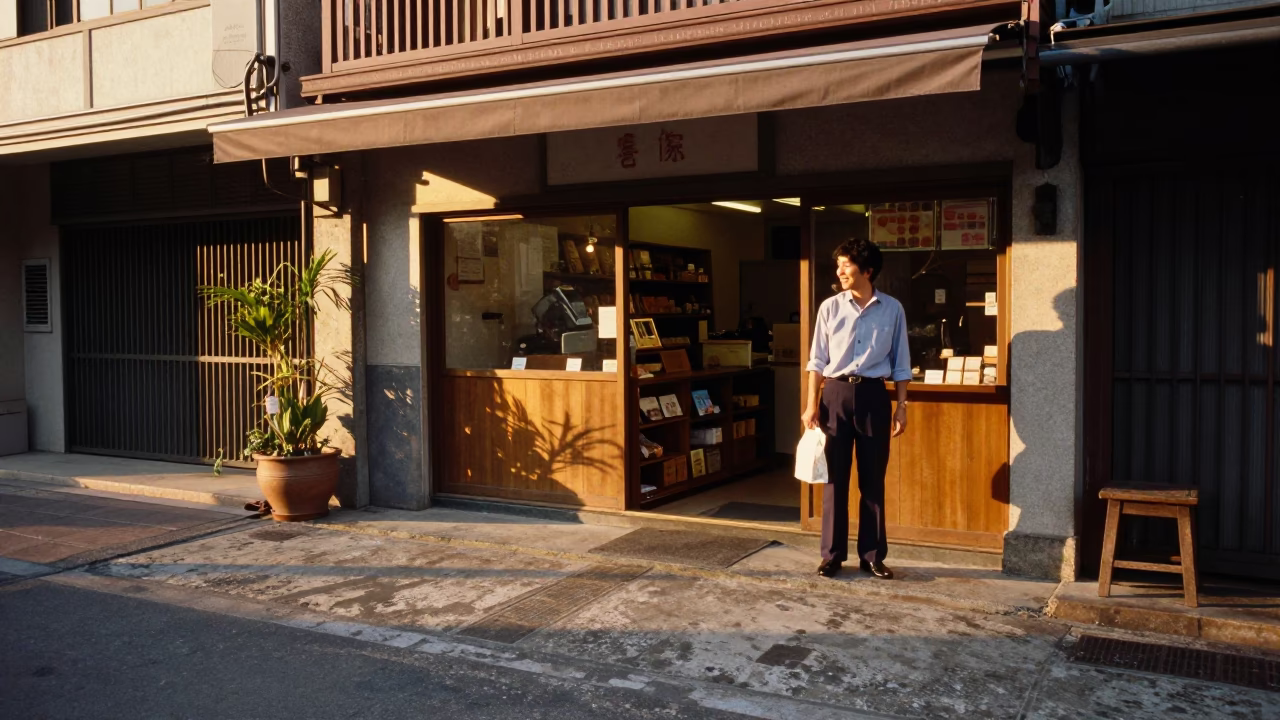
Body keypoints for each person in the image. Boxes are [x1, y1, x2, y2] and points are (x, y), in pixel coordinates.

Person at [801, 238, 910, 579]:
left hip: (875, 397)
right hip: (834, 395)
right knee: (834, 478)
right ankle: (832, 555)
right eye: (839, 265)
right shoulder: (830, 308)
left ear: (867, 270)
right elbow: (817, 360)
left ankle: (872, 555)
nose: (840, 271)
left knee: (873, 477)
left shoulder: (893, 309)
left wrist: (902, 406)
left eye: (846, 265)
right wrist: (810, 405)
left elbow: (901, 362)